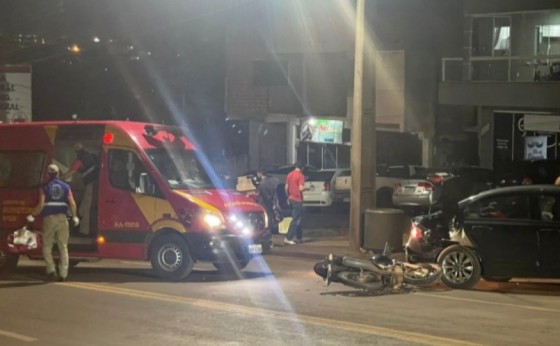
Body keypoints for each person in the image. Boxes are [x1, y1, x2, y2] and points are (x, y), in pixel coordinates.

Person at [27, 164, 79, 282]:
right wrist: (75, 216)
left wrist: (32, 215)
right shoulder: (66, 186)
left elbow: (41, 204)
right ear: (58, 173)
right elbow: (73, 203)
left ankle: (51, 271)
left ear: (47, 175)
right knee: (63, 246)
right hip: (62, 218)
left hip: (49, 219)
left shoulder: (44, 187)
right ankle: (63, 274)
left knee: (47, 246)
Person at [61, 143, 99, 235]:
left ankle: (84, 231)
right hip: (98, 184)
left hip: (91, 184)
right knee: (86, 207)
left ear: (76, 152)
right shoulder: (93, 156)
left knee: (85, 208)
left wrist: (57, 179)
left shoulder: (78, 161)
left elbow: (70, 173)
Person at [284, 163, 306, 245]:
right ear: (302, 168)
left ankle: (299, 237)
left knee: (298, 218)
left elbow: (286, 187)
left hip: (291, 198)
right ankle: (288, 237)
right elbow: (301, 188)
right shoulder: (300, 176)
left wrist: (288, 196)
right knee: (296, 219)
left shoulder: (289, 174)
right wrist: (307, 188)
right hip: (298, 199)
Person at [256, 168, 281, 235]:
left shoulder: (262, 183)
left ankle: (266, 231)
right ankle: (274, 229)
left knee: (265, 218)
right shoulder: (274, 181)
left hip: (264, 203)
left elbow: (264, 195)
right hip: (272, 202)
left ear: (260, 173)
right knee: (272, 216)